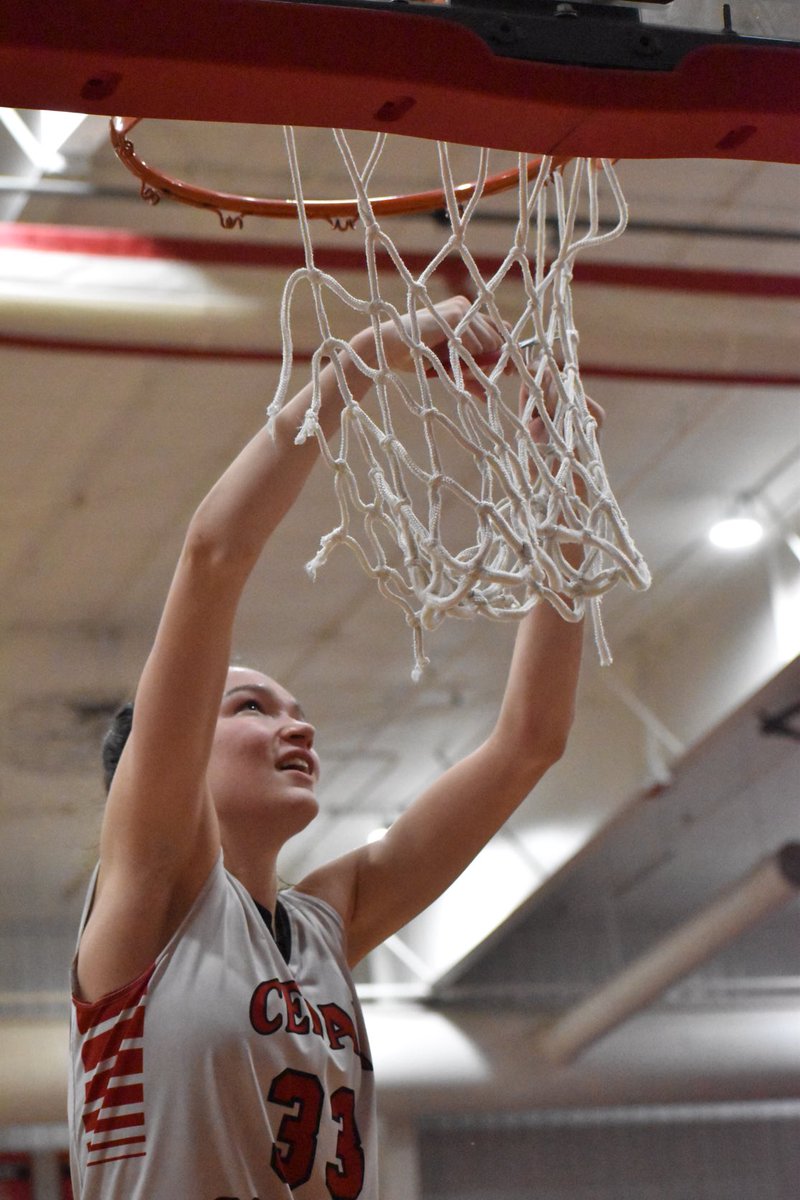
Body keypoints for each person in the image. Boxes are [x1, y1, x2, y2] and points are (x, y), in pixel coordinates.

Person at [68, 296, 596, 1200]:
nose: (296, 725)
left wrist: (567, 496)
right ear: (176, 754)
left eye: (296, 708)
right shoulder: (150, 895)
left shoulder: (322, 925)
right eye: (251, 707)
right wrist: (360, 363)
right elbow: (212, 556)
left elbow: (529, 741)